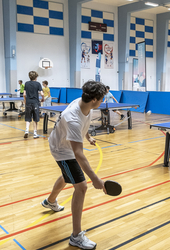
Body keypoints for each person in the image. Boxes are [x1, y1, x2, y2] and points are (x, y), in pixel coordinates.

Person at [41, 80, 107, 250]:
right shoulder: (73, 118)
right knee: (82, 186)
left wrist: (87, 137)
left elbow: (80, 127)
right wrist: (96, 179)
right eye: (102, 99)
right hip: (62, 149)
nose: (102, 102)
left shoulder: (84, 103)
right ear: (94, 99)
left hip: (64, 143)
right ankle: (76, 237)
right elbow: (78, 154)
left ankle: (50, 201)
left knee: (67, 176)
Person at [24, 71, 44, 139]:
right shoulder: (38, 84)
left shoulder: (26, 83)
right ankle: (35, 133)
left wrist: (25, 101)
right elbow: (42, 94)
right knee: (35, 118)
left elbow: (24, 94)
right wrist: (43, 99)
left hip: (28, 103)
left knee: (28, 118)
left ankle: (26, 130)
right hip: (35, 103)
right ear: (36, 77)